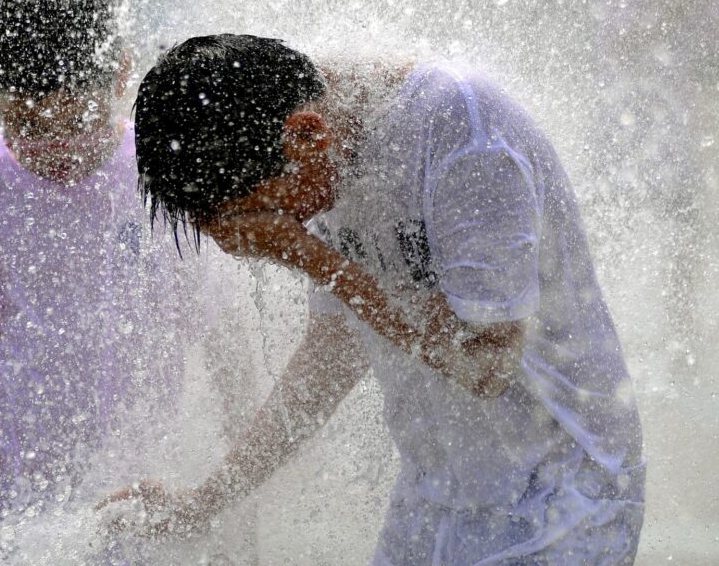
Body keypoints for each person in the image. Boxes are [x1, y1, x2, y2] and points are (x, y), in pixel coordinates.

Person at [105, 34, 645, 564]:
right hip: (431, 505)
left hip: (561, 501)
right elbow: (328, 359)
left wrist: (307, 255)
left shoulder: (466, 134)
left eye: (269, 213)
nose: (281, 228)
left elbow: (487, 361)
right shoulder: (319, 137)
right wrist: (204, 504)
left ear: (308, 136)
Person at [0, 0, 183, 565]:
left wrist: (235, 507)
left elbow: (226, 337)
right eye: (29, 124)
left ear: (121, 75)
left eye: (80, 118)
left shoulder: (162, 177)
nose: (60, 142)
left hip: (148, 495)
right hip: (17, 497)